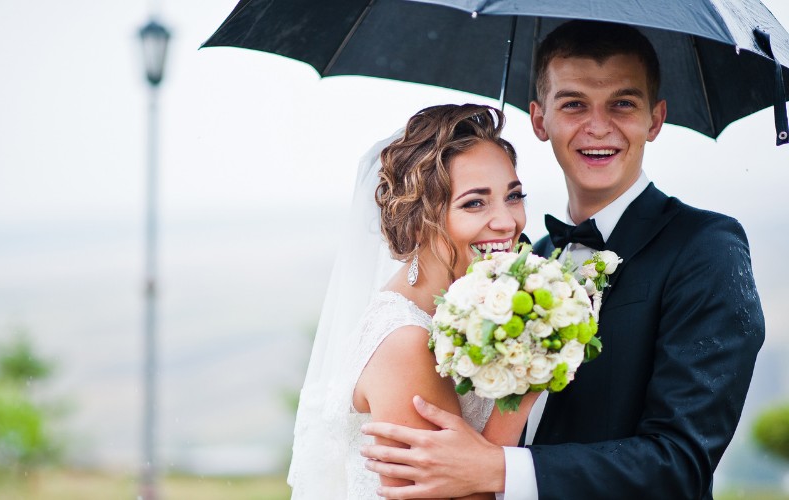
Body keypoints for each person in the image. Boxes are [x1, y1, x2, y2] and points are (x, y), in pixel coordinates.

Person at [360, 20, 765, 500]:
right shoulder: (522, 262)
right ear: (539, 119)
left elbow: (681, 463)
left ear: (654, 120)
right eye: (574, 104)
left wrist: (500, 471)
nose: (598, 126)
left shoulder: (706, 248)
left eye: (623, 103)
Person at [287, 103, 540, 499]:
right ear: (421, 218)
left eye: (513, 195)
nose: (507, 221)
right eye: (475, 202)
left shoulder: (462, 310)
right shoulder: (405, 342)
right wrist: (521, 392)